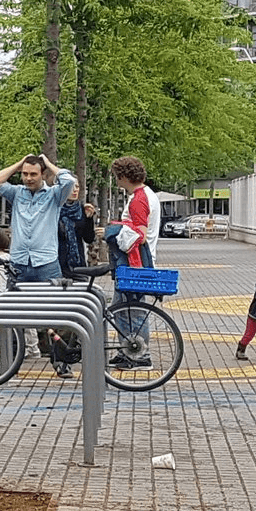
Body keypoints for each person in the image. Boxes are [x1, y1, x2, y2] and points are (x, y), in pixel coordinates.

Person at [103, 155, 162, 371]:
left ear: (124, 176)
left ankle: (140, 355)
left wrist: (114, 231)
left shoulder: (138, 199)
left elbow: (140, 235)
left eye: (118, 177)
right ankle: (127, 350)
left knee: (131, 310)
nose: (117, 182)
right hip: (138, 262)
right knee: (122, 309)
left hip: (134, 263)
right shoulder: (147, 195)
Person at [0, 154, 77, 283]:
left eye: (33, 174)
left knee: (49, 303)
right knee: (15, 303)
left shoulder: (55, 195)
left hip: (46, 263)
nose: (28, 178)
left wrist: (48, 163)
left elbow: (69, 181)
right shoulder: (16, 193)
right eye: (25, 174)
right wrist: (19, 163)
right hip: (19, 262)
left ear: (43, 174)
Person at [57, 185, 97, 274]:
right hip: (57, 265)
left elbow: (89, 239)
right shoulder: (54, 209)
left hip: (78, 265)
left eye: (77, 187)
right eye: (71, 187)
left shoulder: (82, 209)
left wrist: (89, 218)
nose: (75, 190)